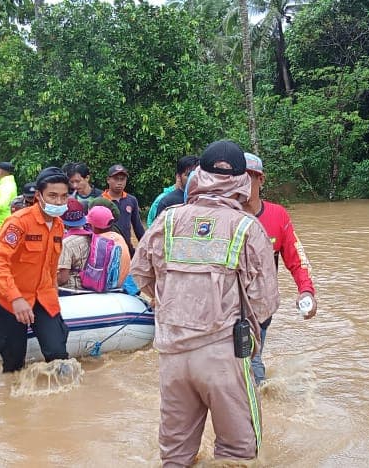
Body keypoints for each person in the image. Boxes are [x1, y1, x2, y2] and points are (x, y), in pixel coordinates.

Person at [130, 140, 279, 467]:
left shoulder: (167, 221)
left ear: (199, 175)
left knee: (175, 454)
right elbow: (265, 301)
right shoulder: (246, 228)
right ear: (242, 181)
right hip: (224, 356)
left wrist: (171, 303)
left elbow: (140, 274)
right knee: (239, 453)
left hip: (171, 355)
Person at [243, 153, 317, 384]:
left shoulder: (277, 216)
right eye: (236, 178)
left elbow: (297, 258)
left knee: (252, 363)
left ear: (261, 180)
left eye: (248, 178)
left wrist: (306, 290)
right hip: (225, 307)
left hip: (260, 308)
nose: (241, 184)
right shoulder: (224, 216)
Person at [0, 166, 70, 373]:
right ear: (39, 196)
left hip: (43, 298)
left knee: (57, 353)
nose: (59, 202)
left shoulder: (59, 225)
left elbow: (51, 267)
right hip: (11, 300)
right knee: (14, 364)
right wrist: (15, 298)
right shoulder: (19, 223)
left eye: (64, 196)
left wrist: (54, 294)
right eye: (52, 196)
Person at [101, 164, 145, 253]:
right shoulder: (100, 201)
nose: (119, 182)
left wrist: (145, 246)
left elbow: (137, 226)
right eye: (116, 179)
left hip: (126, 249)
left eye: (122, 179)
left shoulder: (131, 200)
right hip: (106, 249)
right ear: (108, 180)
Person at [84, 205, 130, 288]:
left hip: (108, 286)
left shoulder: (99, 241)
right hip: (123, 284)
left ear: (92, 225)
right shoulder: (118, 236)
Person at [149, 155, 200, 225]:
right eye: (189, 175)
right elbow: (154, 229)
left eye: (197, 174)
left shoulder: (203, 199)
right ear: (178, 176)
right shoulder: (166, 201)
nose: (193, 178)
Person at [57, 198, 93, 288]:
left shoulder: (66, 243)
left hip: (72, 290)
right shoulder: (92, 237)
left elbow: (63, 278)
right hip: (90, 287)